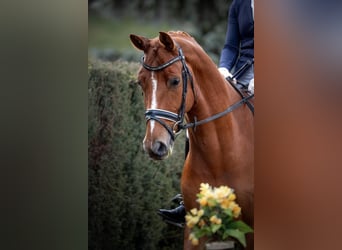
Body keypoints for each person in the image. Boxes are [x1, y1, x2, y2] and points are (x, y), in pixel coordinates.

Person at [157, 0, 254, 226]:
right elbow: (231, 45)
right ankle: (189, 198)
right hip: (240, 71)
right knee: (203, 118)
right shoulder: (239, 4)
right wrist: (223, 69)